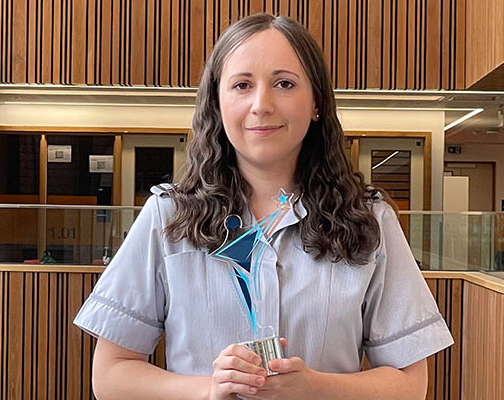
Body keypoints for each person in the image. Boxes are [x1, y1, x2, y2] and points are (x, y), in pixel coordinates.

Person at [73, 13, 453, 400]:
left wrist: (315, 388)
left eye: (284, 84)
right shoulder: (168, 216)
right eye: (241, 85)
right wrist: (210, 389)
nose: (261, 104)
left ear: (317, 102)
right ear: (217, 104)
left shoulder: (370, 220)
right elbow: (111, 377)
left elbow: (409, 384)